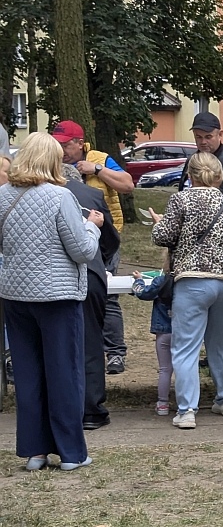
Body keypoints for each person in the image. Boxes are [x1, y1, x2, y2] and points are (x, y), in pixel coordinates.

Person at [0, 132, 102, 471]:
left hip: (15, 295)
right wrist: (93, 227)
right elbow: (82, 251)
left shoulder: (2, 196)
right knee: (63, 372)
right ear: (52, 161)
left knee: (28, 374)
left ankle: (35, 451)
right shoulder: (60, 197)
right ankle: (71, 452)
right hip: (56, 295)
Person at [151, 152, 223, 430]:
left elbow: (163, 236)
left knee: (186, 346)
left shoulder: (181, 199)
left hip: (192, 280)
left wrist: (158, 223)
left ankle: (187, 409)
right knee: (221, 342)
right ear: (219, 176)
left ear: (190, 176)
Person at [51, 119, 134, 376]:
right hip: (67, 240)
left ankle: (115, 353)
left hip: (104, 238)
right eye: (58, 145)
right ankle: (82, 348)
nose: (62, 150)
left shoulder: (100, 158)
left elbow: (128, 185)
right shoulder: (54, 162)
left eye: (66, 145)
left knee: (107, 296)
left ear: (79, 142)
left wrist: (96, 169)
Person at [60, 165, 119, 431]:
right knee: (91, 340)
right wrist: (100, 258)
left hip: (53, 278)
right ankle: (92, 410)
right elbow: (110, 239)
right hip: (91, 273)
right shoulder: (92, 196)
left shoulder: (39, 194)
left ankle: (62, 406)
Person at [130, 265, 174, 416]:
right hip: (183, 331)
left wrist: (139, 281)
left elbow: (142, 293)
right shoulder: (187, 282)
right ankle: (186, 402)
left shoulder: (160, 281)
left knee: (165, 369)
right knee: (184, 367)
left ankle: (163, 403)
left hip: (163, 330)